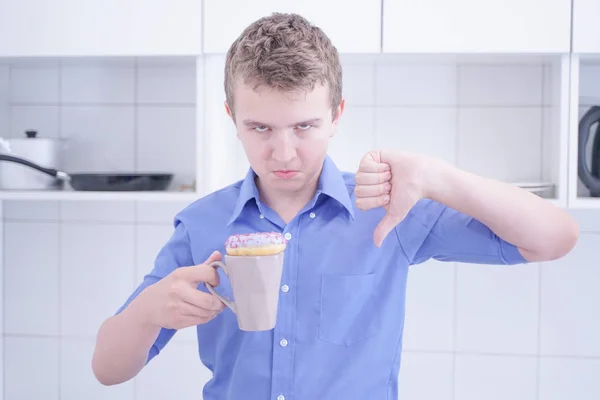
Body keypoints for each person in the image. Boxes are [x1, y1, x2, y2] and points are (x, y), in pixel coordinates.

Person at [91, 12, 579, 400]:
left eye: (303, 126)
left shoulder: (388, 207)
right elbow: (108, 371)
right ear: (232, 118)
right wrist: (148, 311)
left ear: (336, 115)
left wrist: (435, 176)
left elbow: (555, 238)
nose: (283, 153)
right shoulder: (201, 224)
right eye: (260, 127)